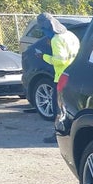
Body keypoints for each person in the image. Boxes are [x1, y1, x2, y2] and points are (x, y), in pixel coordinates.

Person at [35, 13, 80, 142]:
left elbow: (59, 60)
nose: (44, 33)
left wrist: (43, 56)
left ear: (48, 27)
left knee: (59, 109)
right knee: (72, 108)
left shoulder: (56, 40)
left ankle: (59, 136)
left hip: (61, 78)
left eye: (43, 29)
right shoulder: (71, 35)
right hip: (74, 75)